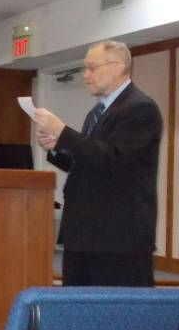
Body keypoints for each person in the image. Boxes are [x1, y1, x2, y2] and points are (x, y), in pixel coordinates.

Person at [33, 40, 162, 287]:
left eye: (92, 67)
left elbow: (114, 159)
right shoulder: (97, 112)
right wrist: (56, 146)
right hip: (85, 232)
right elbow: (87, 162)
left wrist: (63, 132)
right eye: (85, 68)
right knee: (80, 312)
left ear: (118, 67)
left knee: (119, 317)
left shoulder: (140, 108)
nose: (85, 75)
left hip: (118, 238)